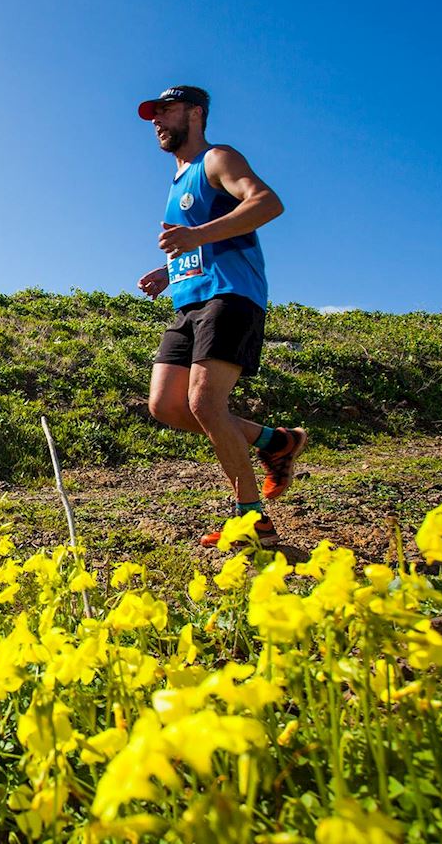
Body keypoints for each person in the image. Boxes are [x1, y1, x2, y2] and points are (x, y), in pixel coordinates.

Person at [133, 85, 306, 548]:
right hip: (189, 301)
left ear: (195, 113)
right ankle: (275, 441)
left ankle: (253, 522)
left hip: (232, 296)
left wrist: (196, 237)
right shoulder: (177, 180)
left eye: (165, 111)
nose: (157, 121)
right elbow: (200, 243)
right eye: (154, 115)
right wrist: (169, 272)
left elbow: (267, 203)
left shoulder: (217, 159)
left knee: (206, 404)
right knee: (166, 405)